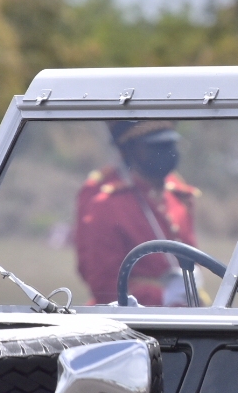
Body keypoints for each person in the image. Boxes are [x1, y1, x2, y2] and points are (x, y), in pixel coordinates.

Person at [75, 120, 198, 305]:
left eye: (170, 144)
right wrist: (162, 297)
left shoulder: (179, 196)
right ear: (130, 150)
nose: (166, 152)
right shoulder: (108, 205)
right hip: (134, 322)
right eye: (155, 146)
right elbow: (104, 285)